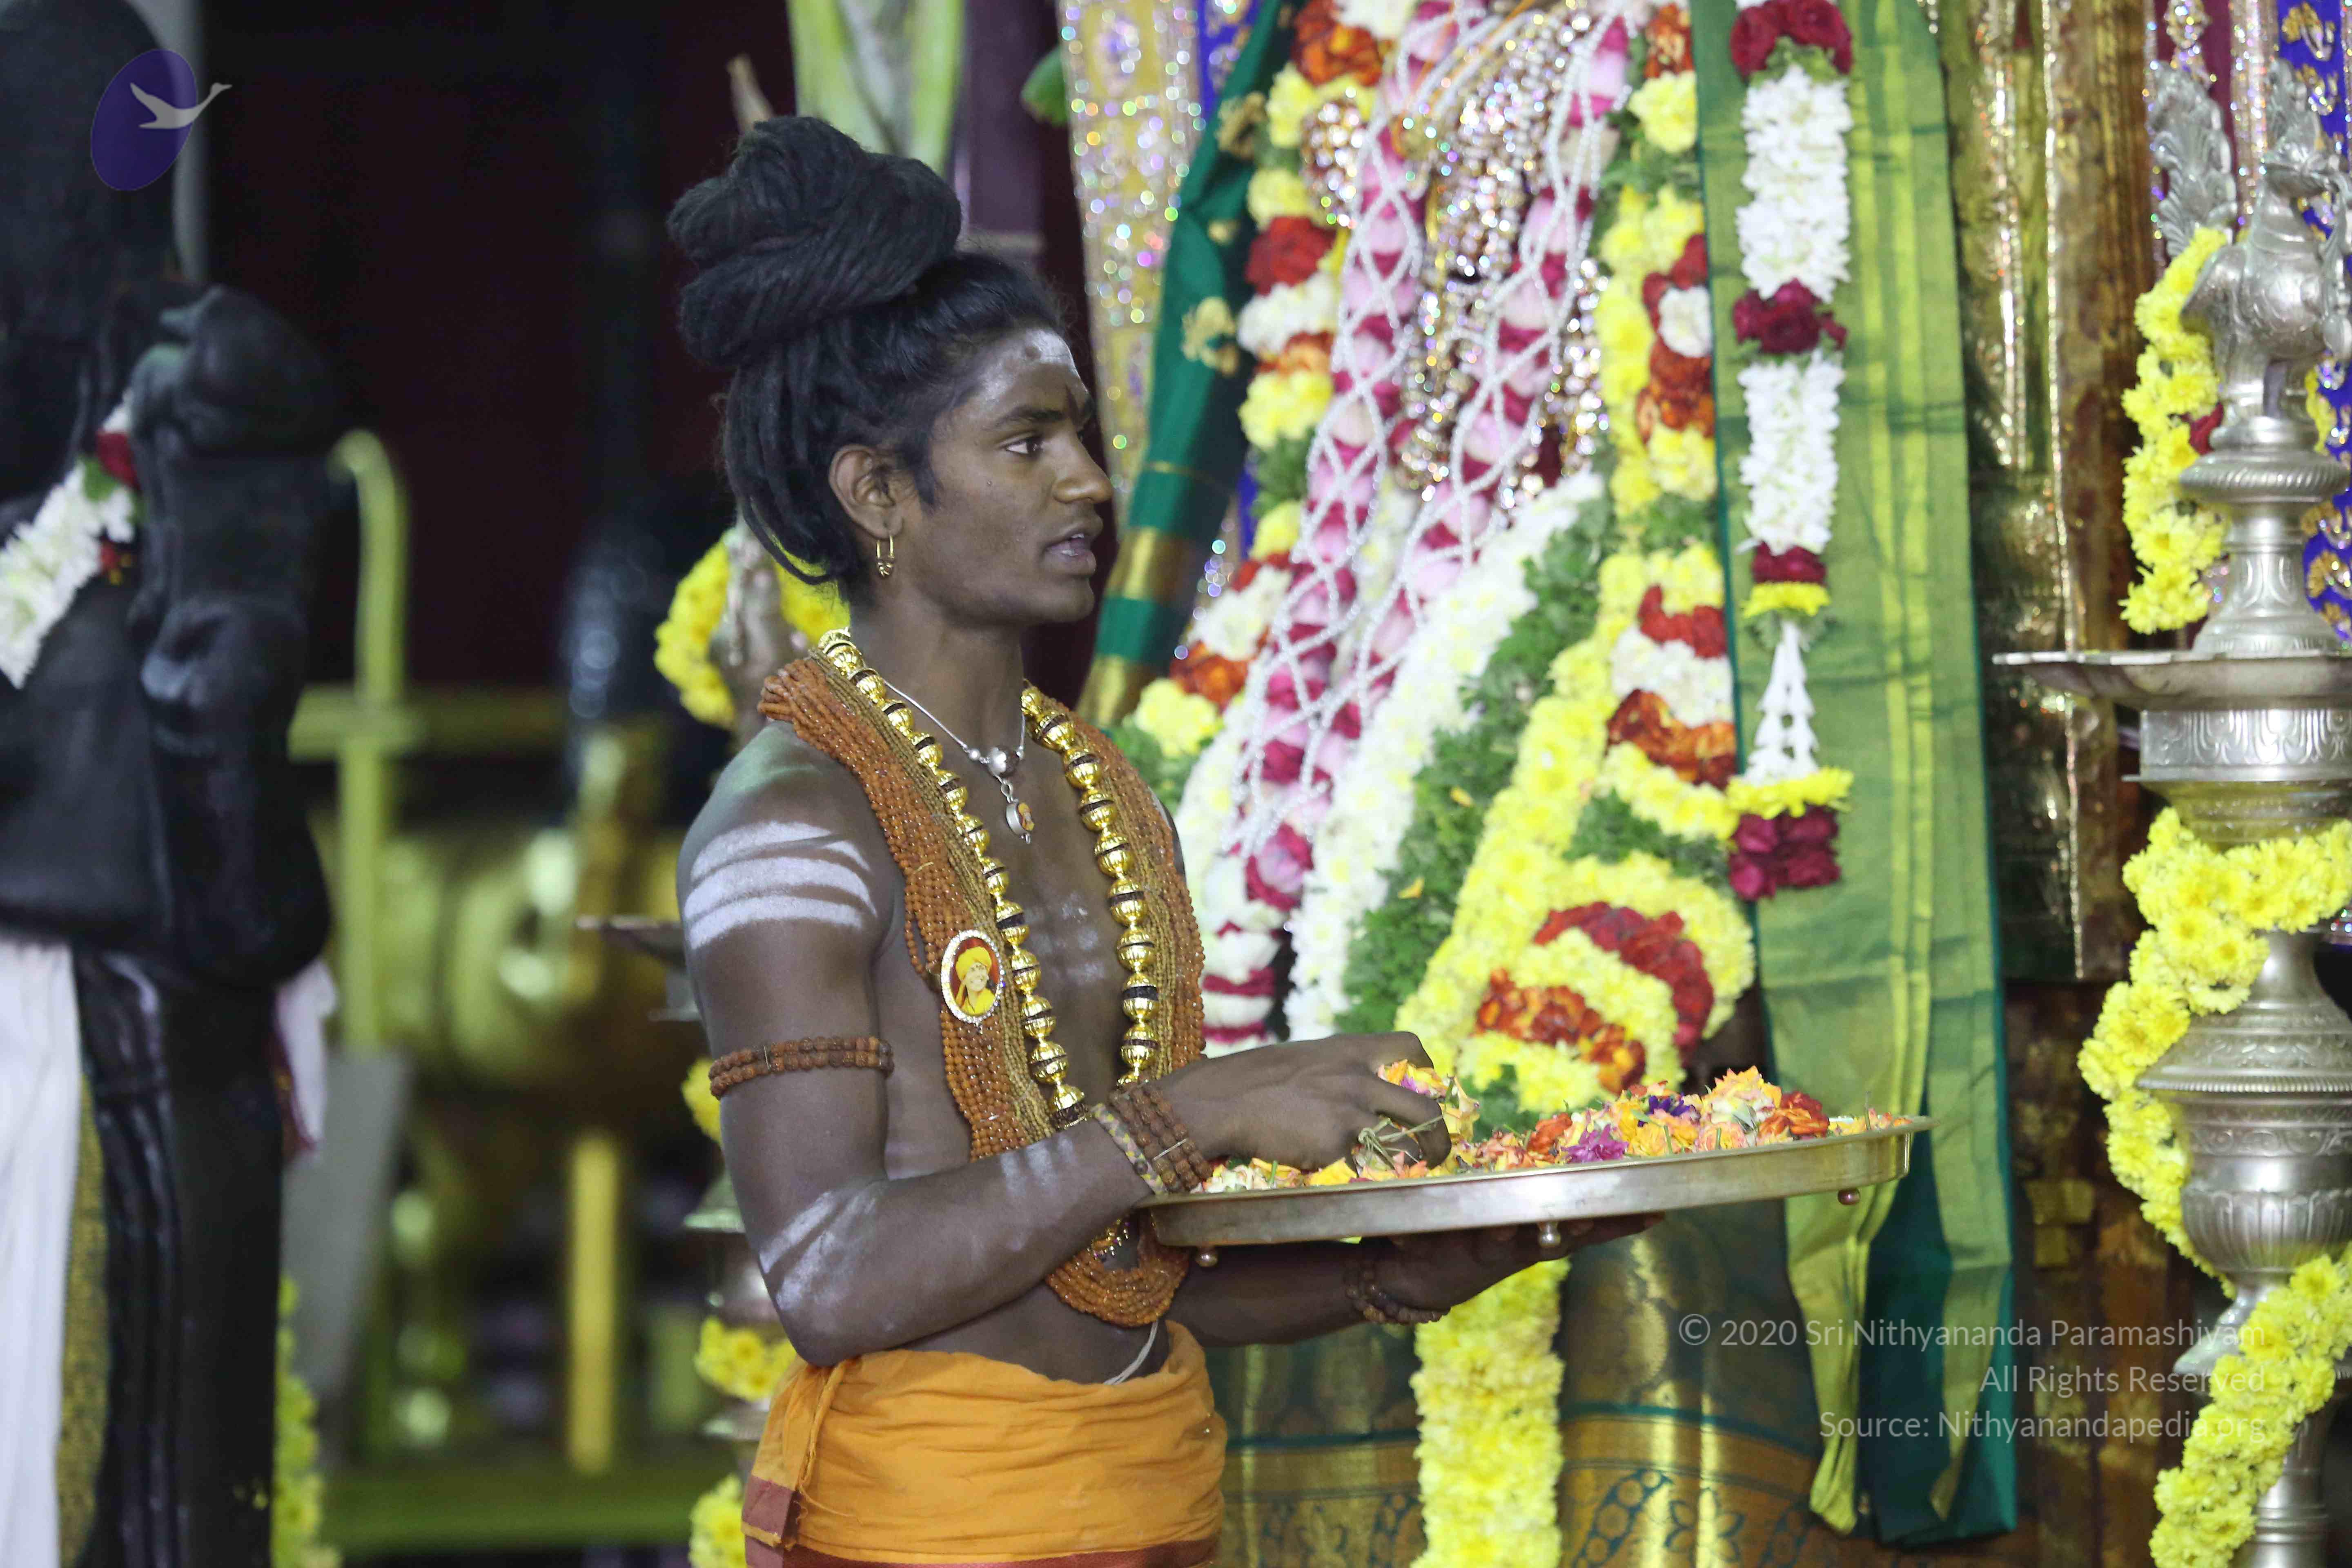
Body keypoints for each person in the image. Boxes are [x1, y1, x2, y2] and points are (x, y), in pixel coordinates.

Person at [671, 116, 1655, 1568]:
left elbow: (1117, 1270)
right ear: (877, 493)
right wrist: (1191, 1115)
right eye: (1026, 443)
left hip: (1158, 1503)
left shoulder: (1098, 789)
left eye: (1080, 434)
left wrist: (1394, 1275)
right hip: (934, 1530)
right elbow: (829, 1278)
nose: (1086, 481)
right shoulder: (789, 827)